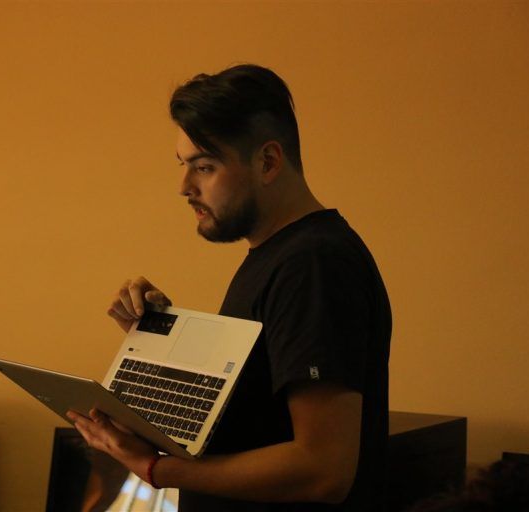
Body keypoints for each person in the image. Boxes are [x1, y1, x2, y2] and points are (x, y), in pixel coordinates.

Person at [67, 64, 392, 511]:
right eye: (183, 165)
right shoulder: (277, 256)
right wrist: (159, 338)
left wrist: (154, 468)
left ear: (268, 162)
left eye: (204, 166)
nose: (184, 187)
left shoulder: (314, 263)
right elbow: (256, 417)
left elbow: (322, 470)